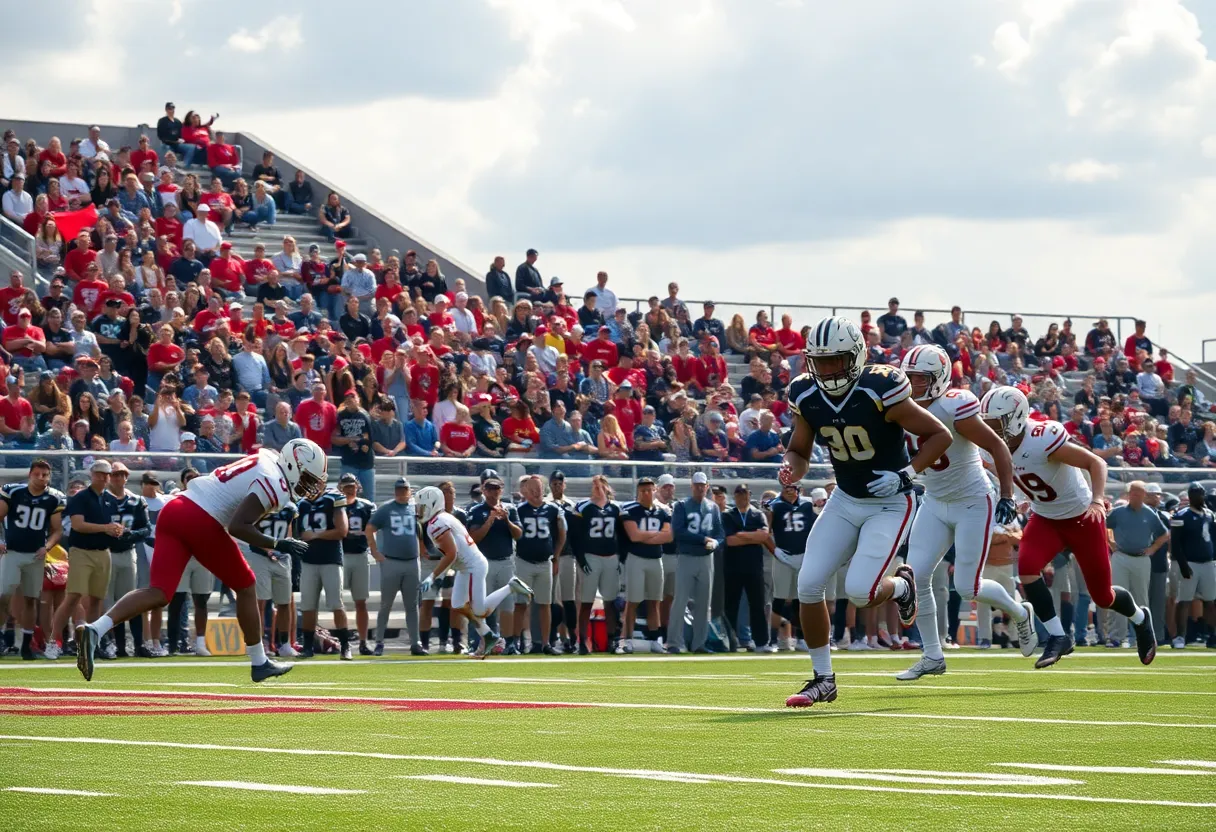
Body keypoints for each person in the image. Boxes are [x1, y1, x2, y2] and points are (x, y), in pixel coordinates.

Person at [781, 316, 952, 708]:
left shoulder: (880, 387)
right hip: (845, 498)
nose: (827, 370)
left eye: (835, 360)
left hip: (890, 502)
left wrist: (906, 473)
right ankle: (823, 679)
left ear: (855, 357)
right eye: (820, 361)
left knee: (860, 592)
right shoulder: (806, 393)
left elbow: (939, 435)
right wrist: (791, 468)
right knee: (809, 584)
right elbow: (799, 451)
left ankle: (903, 587)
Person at [73, 440, 327, 682]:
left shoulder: (267, 459)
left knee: (159, 592)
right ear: (293, 465)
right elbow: (239, 527)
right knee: (246, 585)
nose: (307, 486)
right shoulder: (276, 483)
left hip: (175, 508)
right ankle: (259, 662)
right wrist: (278, 543)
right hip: (201, 519)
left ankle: (95, 630)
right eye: (306, 478)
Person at [979, 386, 1157, 668]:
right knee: (1027, 568)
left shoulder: (1041, 438)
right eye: (986, 422)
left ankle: (1140, 617)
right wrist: (1022, 497)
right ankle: (1058, 636)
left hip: (1082, 517)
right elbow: (1013, 473)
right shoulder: (991, 447)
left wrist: (1097, 500)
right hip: (1045, 518)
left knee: (1103, 596)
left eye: (995, 422)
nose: (989, 429)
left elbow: (1095, 462)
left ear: (1015, 418)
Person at [894, 345, 1036, 680]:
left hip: (972, 500)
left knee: (967, 587)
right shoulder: (899, 406)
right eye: (909, 377)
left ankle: (1019, 612)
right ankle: (932, 655)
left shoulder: (953, 405)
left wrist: (1007, 495)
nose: (913, 384)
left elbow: (997, 445)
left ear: (939, 377)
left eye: (920, 377)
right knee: (916, 577)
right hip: (934, 500)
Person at [416, 485, 534, 659]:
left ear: (432, 504)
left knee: (480, 611)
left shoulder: (437, 523)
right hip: (467, 566)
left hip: (472, 567)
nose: (419, 511)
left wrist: (432, 577)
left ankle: (510, 587)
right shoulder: (444, 518)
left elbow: (451, 554)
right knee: (458, 604)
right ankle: (489, 636)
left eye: (422, 507)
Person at [46, 460, 124, 661]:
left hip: (103, 551)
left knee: (97, 599)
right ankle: (54, 641)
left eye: (106, 474)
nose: (103, 477)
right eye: (99, 473)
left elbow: (111, 525)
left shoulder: (110, 499)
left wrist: (116, 530)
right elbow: (78, 525)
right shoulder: (80, 497)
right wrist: (106, 528)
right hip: (81, 551)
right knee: (73, 597)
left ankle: (91, 644)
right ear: (92, 474)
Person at [0, 460, 65, 660]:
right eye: (37, 474)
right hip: (12, 552)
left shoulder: (54, 497)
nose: (41, 478)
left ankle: (27, 645)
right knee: (3, 595)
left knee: (31, 599)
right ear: (29, 475)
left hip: (35, 555)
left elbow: (57, 530)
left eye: (45, 475)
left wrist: (47, 546)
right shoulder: (13, 491)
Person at [294, 478, 353, 660]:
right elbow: (297, 533)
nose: (312, 485)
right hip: (308, 560)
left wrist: (315, 535)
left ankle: (345, 646)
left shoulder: (333, 499)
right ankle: (308, 647)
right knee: (308, 606)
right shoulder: (302, 503)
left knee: (336, 604)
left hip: (330, 559)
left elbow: (342, 531)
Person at [367, 477, 425, 656]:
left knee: (412, 605)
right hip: (391, 561)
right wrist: (375, 551)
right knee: (386, 604)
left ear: (410, 491)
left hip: (412, 561)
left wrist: (423, 551)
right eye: (399, 490)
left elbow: (421, 530)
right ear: (395, 491)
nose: (401, 493)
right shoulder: (386, 509)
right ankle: (379, 642)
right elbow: (370, 528)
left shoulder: (415, 508)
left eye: (404, 489)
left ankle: (415, 643)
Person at [465, 475, 524, 652]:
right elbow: (474, 537)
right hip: (485, 562)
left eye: (496, 489)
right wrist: (490, 520)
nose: (493, 493)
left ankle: (508, 643)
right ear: (484, 491)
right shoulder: (477, 511)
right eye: (490, 489)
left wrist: (506, 520)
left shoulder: (510, 509)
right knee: (483, 605)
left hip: (505, 561)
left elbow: (518, 535)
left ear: (501, 490)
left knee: (507, 605)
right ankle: (481, 641)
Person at [667, 472, 723, 653]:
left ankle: (700, 643)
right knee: (680, 601)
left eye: (702, 485)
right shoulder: (682, 506)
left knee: (704, 603)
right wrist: (703, 539)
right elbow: (678, 531)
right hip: (686, 557)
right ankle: (674, 642)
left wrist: (716, 543)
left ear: (707, 486)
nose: (700, 488)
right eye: (697, 485)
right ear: (692, 486)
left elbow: (720, 533)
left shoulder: (713, 507)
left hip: (706, 558)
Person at [618, 478, 673, 654]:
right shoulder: (629, 509)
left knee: (654, 601)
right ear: (638, 492)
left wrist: (645, 536)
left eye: (649, 490)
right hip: (636, 558)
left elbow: (668, 536)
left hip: (656, 559)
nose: (646, 494)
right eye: (643, 491)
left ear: (655, 490)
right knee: (633, 601)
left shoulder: (662, 511)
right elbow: (634, 536)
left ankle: (655, 639)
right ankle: (627, 640)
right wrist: (656, 535)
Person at [513, 475, 566, 655]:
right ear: (525, 491)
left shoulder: (553, 509)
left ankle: (545, 643)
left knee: (545, 604)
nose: (536, 492)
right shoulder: (519, 510)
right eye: (532, 489)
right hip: (523, 561)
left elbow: (561, 534)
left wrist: (556, 557)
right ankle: (515, 642)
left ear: (543, 489)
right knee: (521, 603)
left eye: (538, 489)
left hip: (545, 562)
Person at [246, 494, 299, 659]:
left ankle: (285, 644)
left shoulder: (290, 507)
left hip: (282, 557)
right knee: (260, 602)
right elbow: (250, 530)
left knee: (285, 602)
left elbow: (289, 532)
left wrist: (286, 550)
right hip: (260, 555)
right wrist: (267, 549)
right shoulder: (261, 504)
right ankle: (260, 643)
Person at [766, 482, 815, 654]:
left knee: (800, 600)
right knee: (779, 599)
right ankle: (772, 639)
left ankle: (801, 638)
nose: (789, 491)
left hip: (803, 556)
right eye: (786, 488)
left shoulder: (808, 505)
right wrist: (775, 551)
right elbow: (766, 530)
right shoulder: (776, 506)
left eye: (792, 488)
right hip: (783, 556)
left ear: (799, 490)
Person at [1170, 483, 1215, 648]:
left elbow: (1213, 539)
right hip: (1190, 562)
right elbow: (1176, 544)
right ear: (1190, 497)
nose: (1200, 497)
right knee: (1184, 600)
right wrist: (1183, 565)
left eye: (1201, 493)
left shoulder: (1210, 514)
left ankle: (1213, 635)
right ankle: (1180, 637)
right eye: (1196, 494)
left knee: (1210, 601)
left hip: (1208, 562)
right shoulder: (1181, 516)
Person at [339, 473, 377, 655]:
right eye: (346, 486)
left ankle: (363, 641)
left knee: (361, 602)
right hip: (339, 556)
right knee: (337, 602)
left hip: (360, 555)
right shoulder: (335, 505)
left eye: (351, 486)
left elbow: (372, 530)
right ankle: (344, 642)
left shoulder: (366, 506)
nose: (349, 489)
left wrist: (373, 548)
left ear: (357, 487)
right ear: (340, 488)